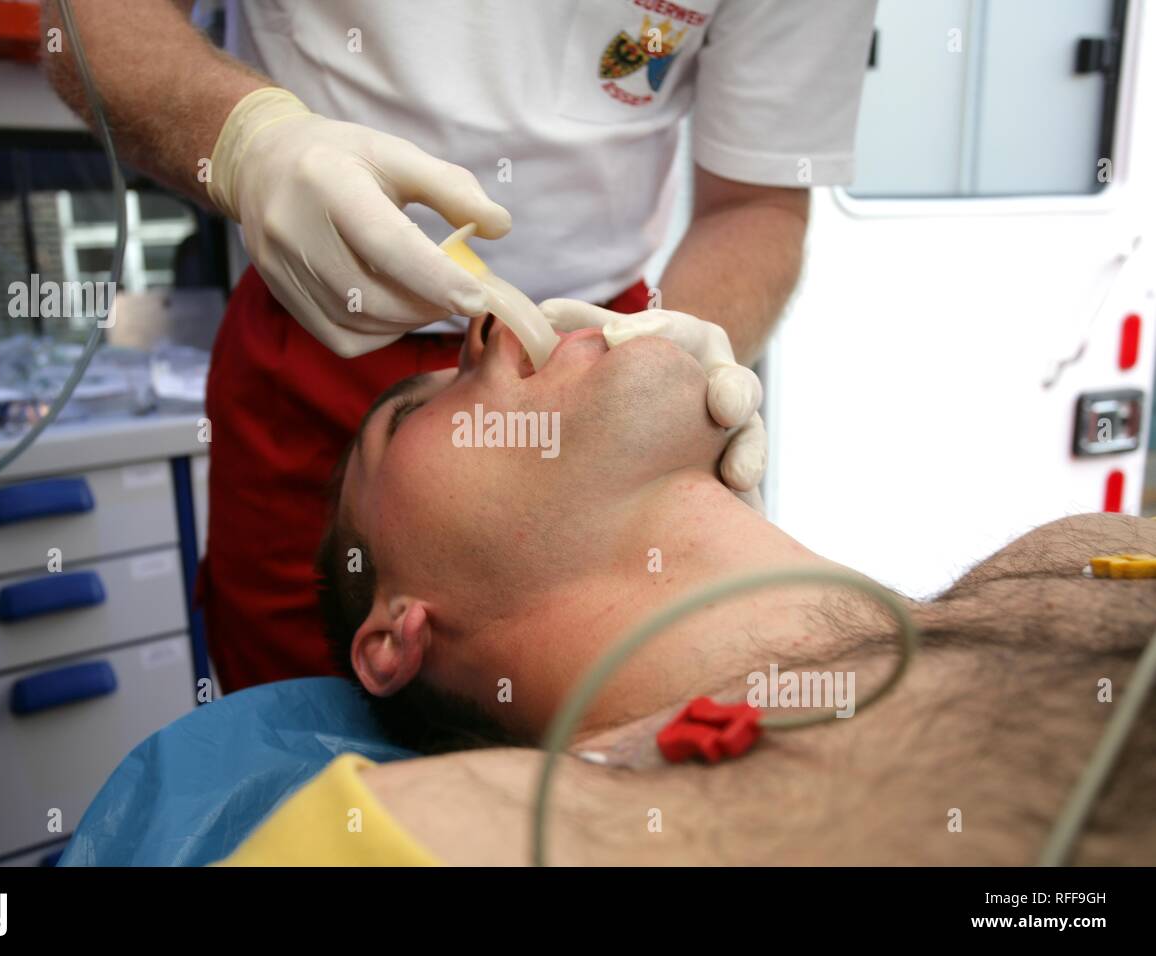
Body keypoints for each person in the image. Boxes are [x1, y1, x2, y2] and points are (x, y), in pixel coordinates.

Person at [41, 0, 878, 692]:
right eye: (400, 423)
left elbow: (755, 203)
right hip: (313, 325)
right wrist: (247, 141)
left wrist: (662, 351)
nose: (488, 333)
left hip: (606, 316)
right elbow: (87, 25)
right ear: (393, 635)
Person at [255, 313, 1156, 865]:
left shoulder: (1068, 553)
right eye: (413, 411)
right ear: (395, 634)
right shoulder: (470, 834)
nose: (493, 328)